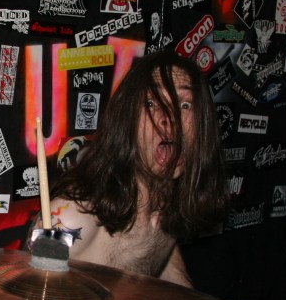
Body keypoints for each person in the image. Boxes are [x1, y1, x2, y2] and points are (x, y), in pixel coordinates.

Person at [29, 50, 228, 287]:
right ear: (127, 122)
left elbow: (158, 250)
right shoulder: (72, 217)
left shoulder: (169, 194)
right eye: (151, 103)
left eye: (185, 105)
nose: (170, 117)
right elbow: (29, 295)